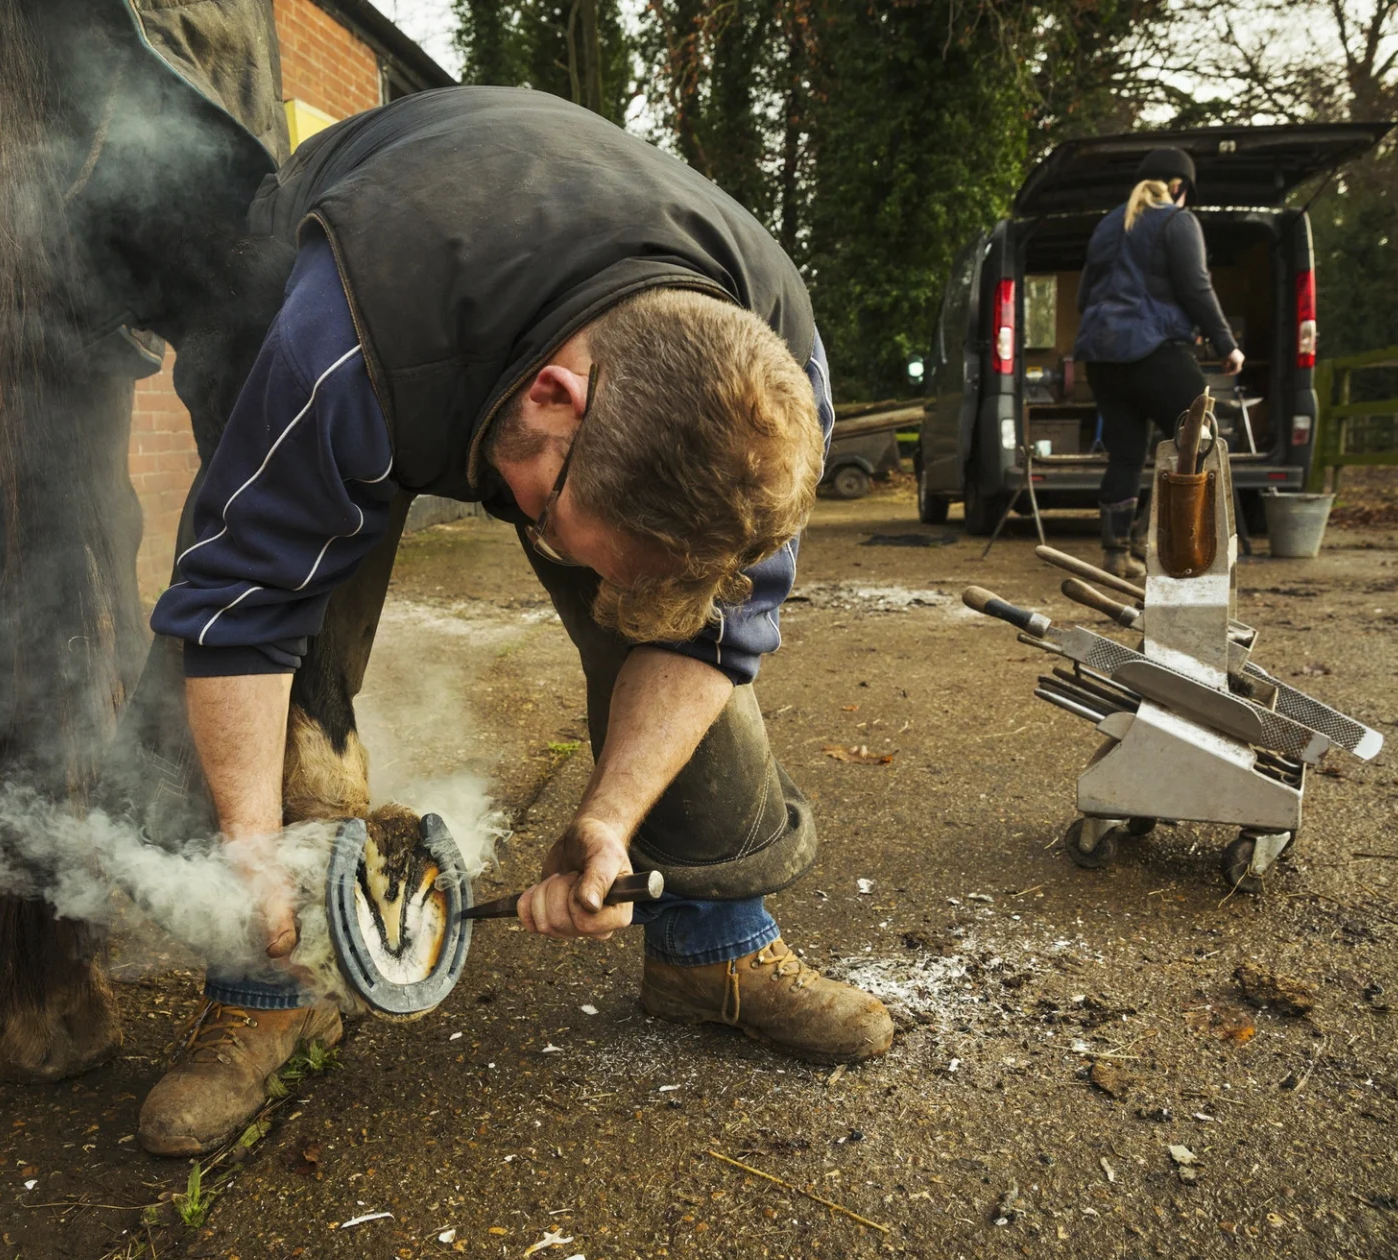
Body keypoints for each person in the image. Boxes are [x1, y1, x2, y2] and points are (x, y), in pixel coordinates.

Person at [132, 86, 896, 1156]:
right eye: (547, 520)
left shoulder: (771, 382)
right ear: (553, 395)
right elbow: (236, 604)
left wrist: (609, 821)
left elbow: (717, 638)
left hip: (526, 309)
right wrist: (252, 845)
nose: (538, 545)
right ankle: (265, 988)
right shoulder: (340, 344)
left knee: (681, 624)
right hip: (336, 289)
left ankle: (711, 946)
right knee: (287, 644)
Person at [1074, 147, 1243, 578]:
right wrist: (1227, 344)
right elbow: (1196, 287)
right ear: (1178, 186)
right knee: (1198, 437)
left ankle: (1116, 553)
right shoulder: (1176, 220)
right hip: (1154, 350)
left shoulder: (1108, 224)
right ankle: (1168, 542)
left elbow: (1082, 297)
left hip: (1101, 356)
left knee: (1126, 453)